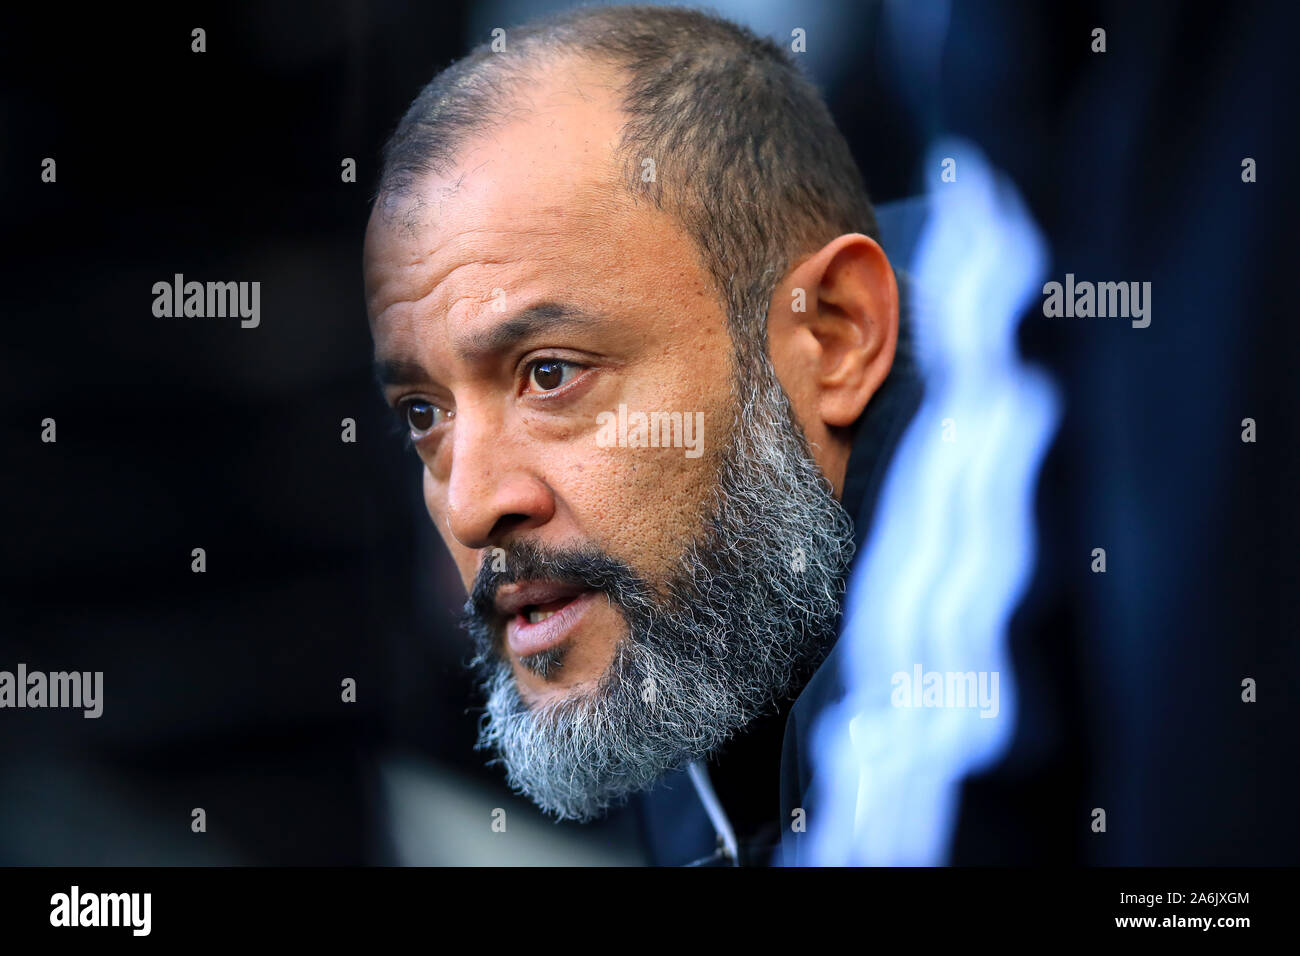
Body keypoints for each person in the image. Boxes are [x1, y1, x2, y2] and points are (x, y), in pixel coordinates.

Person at [363, 4, 920, 865]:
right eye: (425, 415)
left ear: (835, 335)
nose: (470, 509)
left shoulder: (1050, 594)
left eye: (550, 374)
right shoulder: (690, 654)